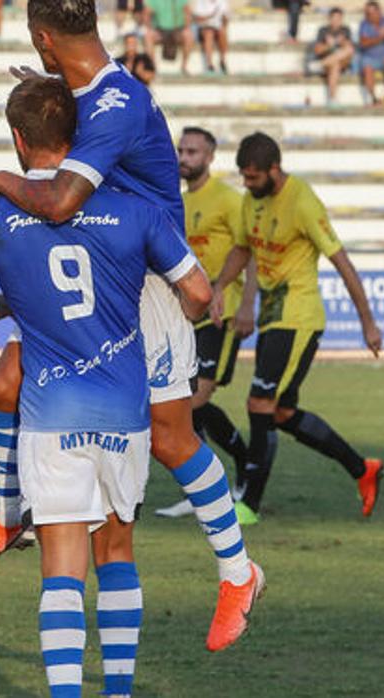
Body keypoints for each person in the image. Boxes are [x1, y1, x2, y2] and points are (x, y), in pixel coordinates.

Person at [0, 0, 262, 654]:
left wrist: (2, 179)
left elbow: (63, 197)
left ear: (44, 37)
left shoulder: (115, 104)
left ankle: (238, 573)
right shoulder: (92, 90)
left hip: (142, 277)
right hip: (92, 266)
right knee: (8, 381)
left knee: (171, 439)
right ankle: (11, 516)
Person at [0, 76, 211, 698]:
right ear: (79, 132)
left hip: (52, 414)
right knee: (116, 553)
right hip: (126, 408)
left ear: (18, 138)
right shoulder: (133, 208)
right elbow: (199, 295)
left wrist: (22, 303)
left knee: (61, 571)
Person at [209, 132, 384, 525]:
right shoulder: (251, 202)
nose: (248, 185)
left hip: (299, 317)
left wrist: (368, 323)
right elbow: (243, 249)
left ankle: (249, 505)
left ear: (275, 169)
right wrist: (221, 288)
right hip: (274, 317)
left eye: (254, 178)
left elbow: (342, 261)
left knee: (260, 404)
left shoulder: (302, 201)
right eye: (244, 178)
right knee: (283, 412)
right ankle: (362, 469)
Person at [156, 126, 256, 520]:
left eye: (193, 151)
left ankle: (234, 471)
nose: (184, 157)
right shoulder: (179, 201)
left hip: (222, 311)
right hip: (188, 312)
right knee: (187, 400)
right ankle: (208, 485)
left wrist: (245, 303)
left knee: (194, 399)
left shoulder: (229, 200)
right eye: (181, 150)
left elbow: (249, 251)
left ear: (211, 157)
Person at [357, 0, 384, 106]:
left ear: (379, 11)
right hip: (369, 56)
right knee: (367, 68)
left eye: (371, 13)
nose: (369, 16)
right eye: (367, 13)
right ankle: (373, 98)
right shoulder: (364, 24)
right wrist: (379, 37)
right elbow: (363, 43)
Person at [312, 7, 354, 105]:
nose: (336, 21)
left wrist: (342, 42)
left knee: (349, 50)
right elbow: (317, 50)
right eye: (333, 18)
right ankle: (333, 98)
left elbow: (350, 49)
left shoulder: (346, 30)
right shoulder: (323, 30)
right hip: (330, 64)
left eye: (338, 19)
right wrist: (328, 45)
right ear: (329, 19)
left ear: (342, 19)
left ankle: (320, 64)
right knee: (335, 65)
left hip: (343, 62)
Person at [148, 0, 193, 75]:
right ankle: (152, 66)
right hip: (160, 30)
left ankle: (184, 66)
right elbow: (147, 12)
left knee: (188, 35)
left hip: (177, 29)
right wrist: (149, 27)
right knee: (148, 35)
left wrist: (186, 27)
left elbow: (187, 12)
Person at [191, 0, 229, 74]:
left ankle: (222, 61)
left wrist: (225, 20)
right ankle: (209, 64)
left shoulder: (223, 2)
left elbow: (226, 18)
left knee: (222, 32)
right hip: (203, 28)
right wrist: (211, 16)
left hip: (217, 28)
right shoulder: (201, 2)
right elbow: (197, 19)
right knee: (209, 33)